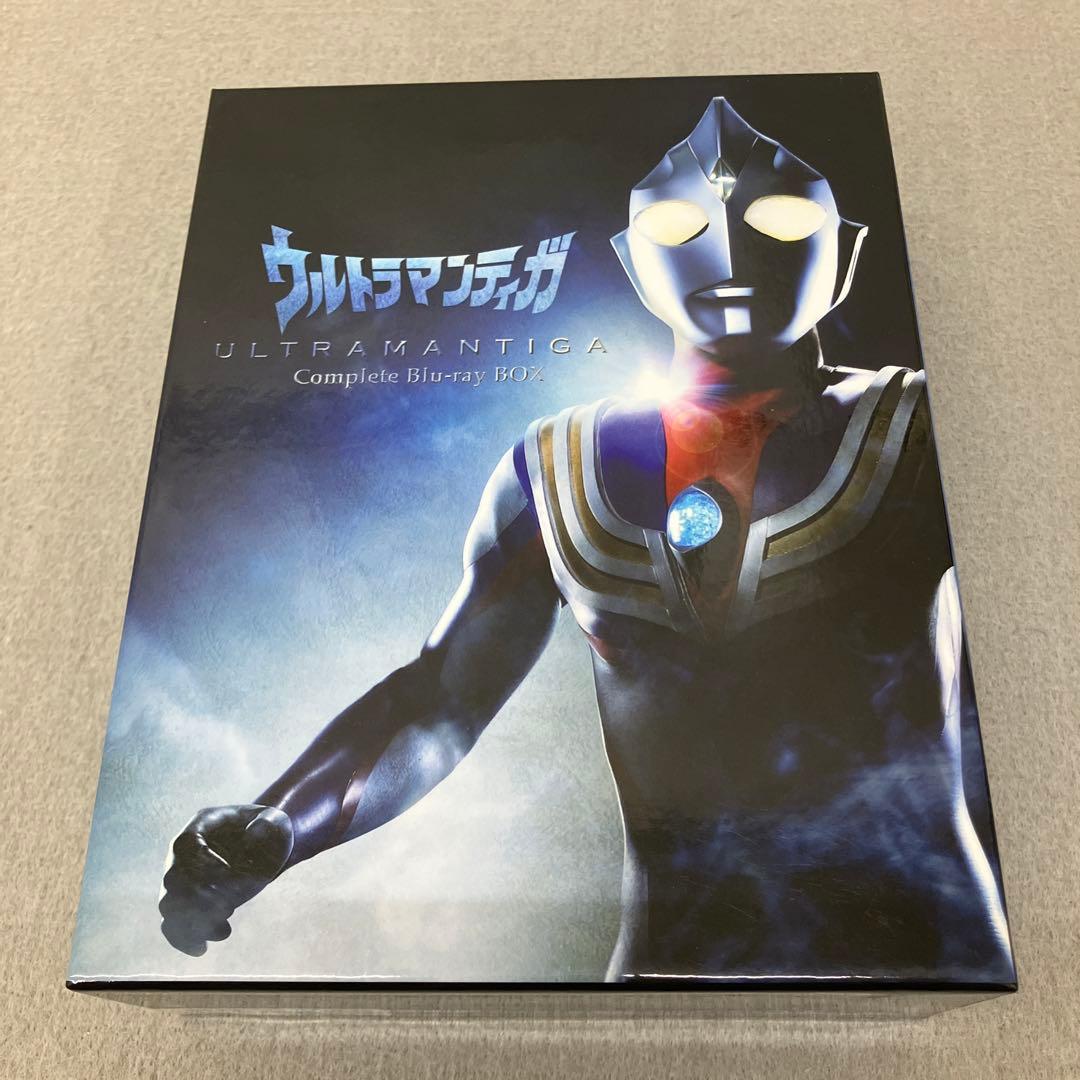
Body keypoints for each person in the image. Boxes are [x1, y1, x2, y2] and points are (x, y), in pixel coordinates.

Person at [160, 99, 1013, 983]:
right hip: (665, 984)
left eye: (781, 220)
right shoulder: (556, 469)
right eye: (681, 225)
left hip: (923, 977)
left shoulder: (918, 432)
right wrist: (281, 822)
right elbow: (443, 700)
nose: (729, 245)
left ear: (845, 256)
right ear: (635, 264)